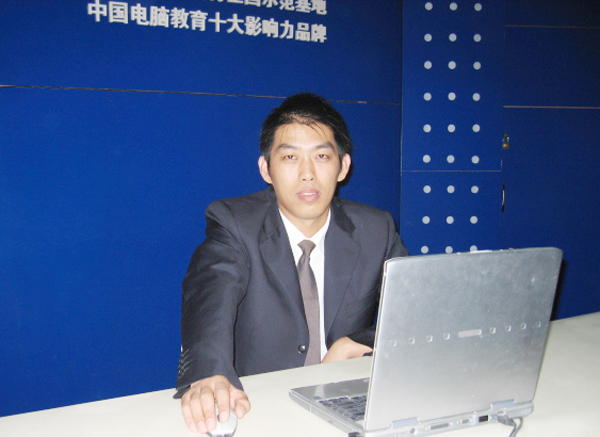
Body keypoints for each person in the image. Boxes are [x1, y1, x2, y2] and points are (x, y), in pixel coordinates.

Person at [175, 93, 408, 433]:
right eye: (289, 157)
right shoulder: (234, 223)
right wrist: (210, 372)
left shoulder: (376, 229)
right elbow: (209, 297)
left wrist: (356, 341)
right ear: (266, 169)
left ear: (343, 166)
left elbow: (414, 310)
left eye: (322, 156)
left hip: (348, 399)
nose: (307, 174)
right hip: (261, 403)